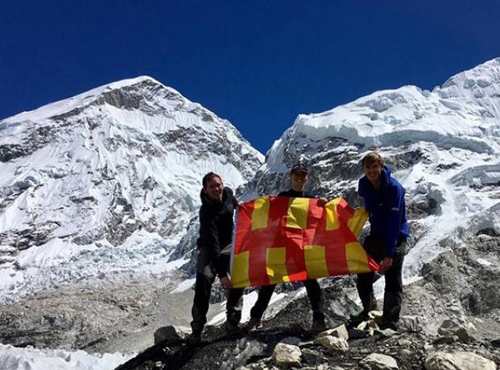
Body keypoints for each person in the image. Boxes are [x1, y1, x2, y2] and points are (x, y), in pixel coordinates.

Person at [244, 162, 328, 334]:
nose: (299, 177)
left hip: (301, 247)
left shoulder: (312, 200)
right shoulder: (282, 197)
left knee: (311, 281)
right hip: (282, 246)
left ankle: (319, 319)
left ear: (307, 178)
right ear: (291, 176)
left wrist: (324, 206)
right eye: (296, 174)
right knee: (270, 281)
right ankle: (255, 318)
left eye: (302, 174)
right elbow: (270, 217)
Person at [352, 152, 409, 330]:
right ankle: (369, 309)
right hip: (376, 235)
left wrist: (389, 253)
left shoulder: (394, 189)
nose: (371, 171)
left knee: (392, 278)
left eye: (375, 167)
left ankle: (390, 322)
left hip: (395, 236)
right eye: (368, 168)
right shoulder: (365, 186)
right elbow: (367, 208)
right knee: (363, 272)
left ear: (382, 166)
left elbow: (394, 222)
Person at [188, 172, 244, 344]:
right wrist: (222, 274)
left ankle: (232, 320)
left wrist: (239, 205)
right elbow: (213, 245)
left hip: (228, 245)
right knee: (203, 285)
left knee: (239, 277)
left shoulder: (227, 193)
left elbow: (232, 202)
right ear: (205, 190)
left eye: (218, 184)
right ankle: (196, 330)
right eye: (212, 186)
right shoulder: (206, 212)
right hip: (208, 249)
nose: (216, 188)